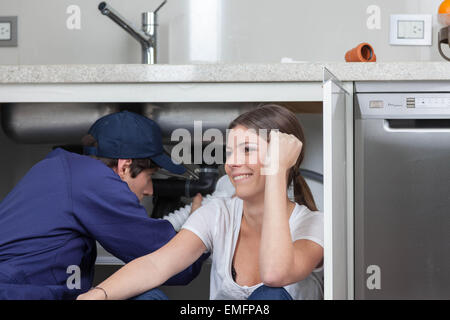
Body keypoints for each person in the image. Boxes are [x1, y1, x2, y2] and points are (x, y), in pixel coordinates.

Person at [77, 104, 324, 300]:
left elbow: (274, 274)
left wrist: (277, 173)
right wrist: (98, 295)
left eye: (247, 149)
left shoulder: (314, 225)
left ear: (282, 159)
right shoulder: (218, 213)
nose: (232, 163)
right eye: (230, 152)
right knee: (147, 297)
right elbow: (155, 265)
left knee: (270, 295)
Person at [0, 111, 208, 300]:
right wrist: (201, 228)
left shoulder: (63, 169)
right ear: (125, 166)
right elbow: (178, 266)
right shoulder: (94, 181)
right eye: (149, 176)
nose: (150, 191)